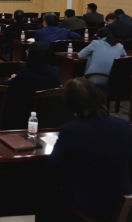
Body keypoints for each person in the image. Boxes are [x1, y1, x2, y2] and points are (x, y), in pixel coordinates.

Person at [48, 78, 132, 221]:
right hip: (121, 202)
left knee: (46, 195)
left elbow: (54, 165)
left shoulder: (71, 130)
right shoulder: (124, 125)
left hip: (87, 206)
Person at [1, 42, 61, 129]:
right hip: (49, 117)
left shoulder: (25, 74)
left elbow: (4, 85)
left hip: (24, 117)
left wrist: (14, 78)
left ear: (31, 56)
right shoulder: (56, 71)